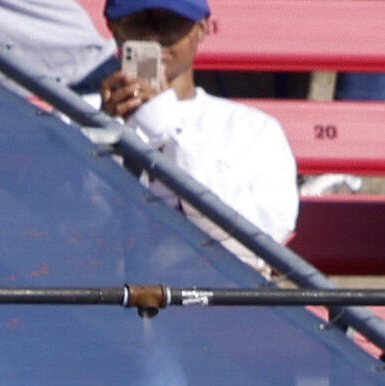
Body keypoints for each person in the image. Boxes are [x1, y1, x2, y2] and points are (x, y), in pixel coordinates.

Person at [94, 1, 298, 243]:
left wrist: (166, 127)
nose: (154, 37)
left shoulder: (253, 128)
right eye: (138, 24)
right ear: (114, 29)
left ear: (200, 29)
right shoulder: (76, 115)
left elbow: (267, 234)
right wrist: (97, 136)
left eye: (170, 23)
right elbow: (66, 224)